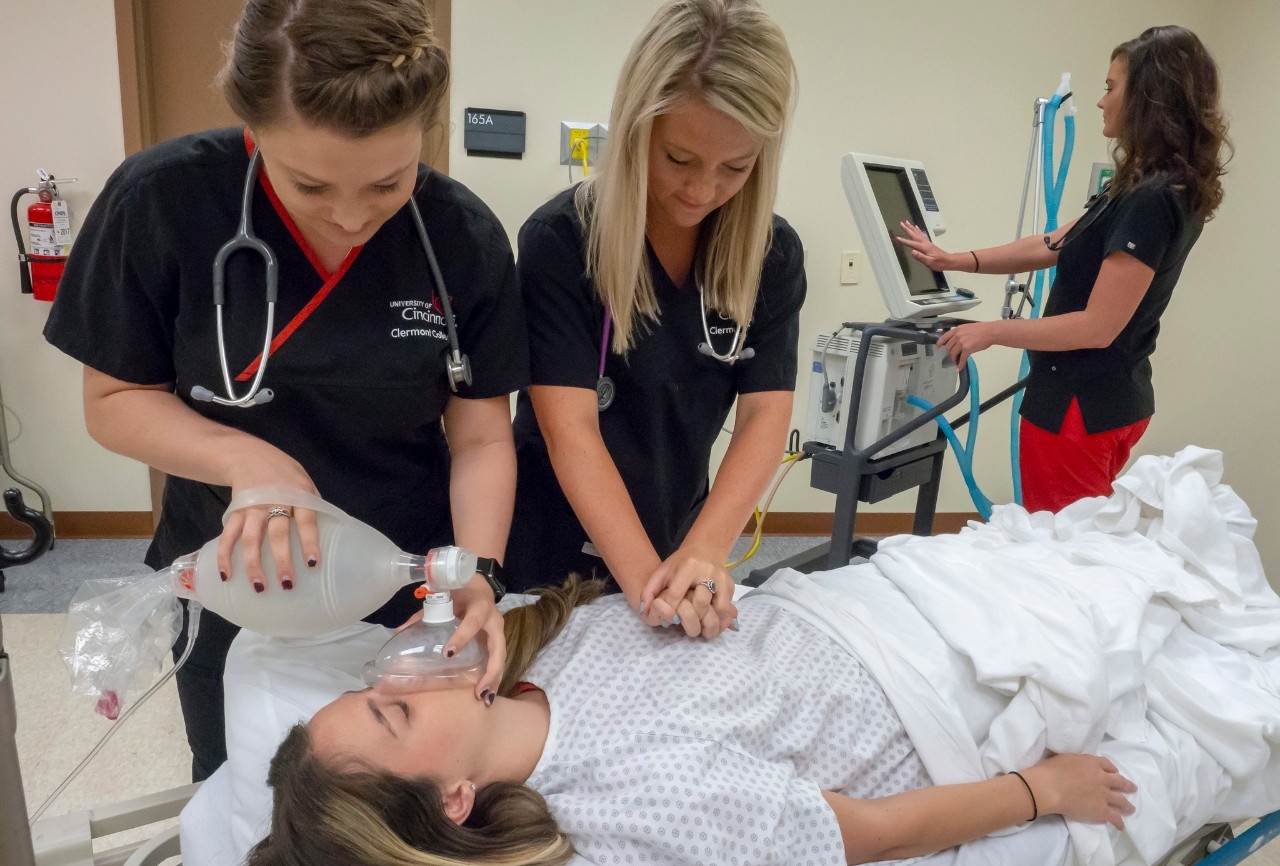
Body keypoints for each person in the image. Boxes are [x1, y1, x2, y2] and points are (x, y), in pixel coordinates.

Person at [43, 0, 523, 781]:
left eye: (387, 183)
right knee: (241, 787)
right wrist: (252, 464)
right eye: (308, 183)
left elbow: (480, 436)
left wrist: (480, 570)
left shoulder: (460, 238)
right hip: (237, 582)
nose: (350, 217)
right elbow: (114, 401)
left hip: (408, 593)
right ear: (252, 131)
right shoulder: (162, 201)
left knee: (391, 815)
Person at [243, 577, 1138, 866]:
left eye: (373, 687)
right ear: (453, 800)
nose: (402, 673)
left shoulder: (531, 651)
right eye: (394, 710)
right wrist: (1038, 790)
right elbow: (857, 832)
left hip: (864, 598)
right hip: (918, 676)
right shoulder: (636, 804)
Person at [502, 0, 806, 639]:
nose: (701, 191)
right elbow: (571, 433)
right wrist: (655, 592)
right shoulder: (562, 242)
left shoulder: (771, 256)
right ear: (634, 128)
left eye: (735, 168)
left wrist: (702, 553)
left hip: (678, 527)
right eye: (679, 159)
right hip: (551, 542)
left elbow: (763, 417)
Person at [896, 25, 1230, 514]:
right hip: (1101, 398)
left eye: (1111, 87)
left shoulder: (1151, 201)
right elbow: (1052, 243)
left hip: (1081, 407)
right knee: (1067, 537)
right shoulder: (1142, 187)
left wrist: (991, 331)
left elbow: (1098, 327)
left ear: (1146, 99)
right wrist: (957, 260)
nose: (1101, 101)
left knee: (1060, 554)